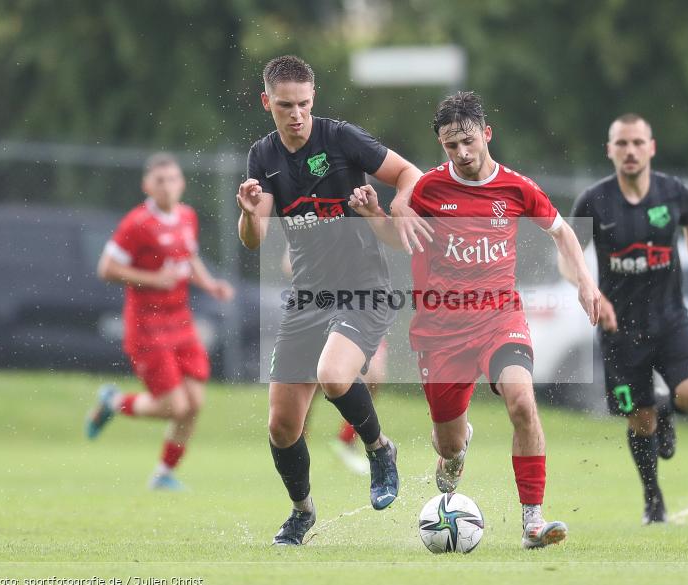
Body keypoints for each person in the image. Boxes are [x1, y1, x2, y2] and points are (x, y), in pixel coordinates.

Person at [350, 91, 601, 549]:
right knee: (447, 444)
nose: (462, 152)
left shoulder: (517, 188)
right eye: (452, 145)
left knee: (522, 402)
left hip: (498, 319)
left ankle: (532, 521)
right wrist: (373, 215)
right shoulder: (427, 189)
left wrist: (585, 282)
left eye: (469, 141)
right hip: (440, 333)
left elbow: (563, 232)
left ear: (487, 134)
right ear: (442, 145)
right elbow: (401, 239)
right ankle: (455, 447)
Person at [235, 55, 422, 546]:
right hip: (307, 297)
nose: (296, 114)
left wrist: (398, 202)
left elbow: (409, 173)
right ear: (267, 103)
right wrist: (249, 214)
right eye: (285, 106)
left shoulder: (341, 138)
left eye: (303, 104)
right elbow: (255, 238)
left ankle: (379, 449)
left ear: (313, 98)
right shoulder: (262, 156)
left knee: (334, 375)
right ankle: (302, 512)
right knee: (282, 425)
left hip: (363, 289)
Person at [568, 113, 688, 524]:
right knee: (640, 419)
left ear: (651, 148)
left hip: (670, 319)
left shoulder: (674, 193)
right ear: (610, 150)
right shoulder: (594, 200)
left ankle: (669, 412)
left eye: (637, 143)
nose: (630, 150)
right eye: (622, 143)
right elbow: (567, 253)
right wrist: (589, 288)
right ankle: (653, 500)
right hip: (619, 330)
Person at [85, 152, 235, 490]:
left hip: (181, 322)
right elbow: (106, 268)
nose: (167, 186)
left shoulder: (187, 216)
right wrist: (153, 279)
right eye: (160, 181)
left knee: (194, 403)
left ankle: (164, 474)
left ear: (182, 183)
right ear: (147, 186)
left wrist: (210, 284)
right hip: (147, 327)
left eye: (173, 179)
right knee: (174, 406)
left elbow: (189, 257)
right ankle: (113, 402)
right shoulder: (137, 224)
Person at [280, 246, 386, 476]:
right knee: (310, 387)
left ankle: (347, 440)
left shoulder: (363, 224)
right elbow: (288, 264)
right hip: (318, 310)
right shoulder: (309, 225)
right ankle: (298, 447)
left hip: (360, 306)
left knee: (374, 374)